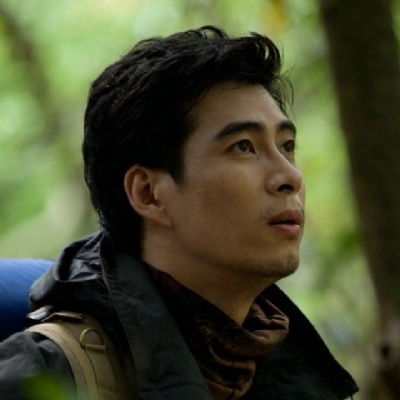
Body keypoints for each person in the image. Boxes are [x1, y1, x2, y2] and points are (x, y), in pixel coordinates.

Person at [0, 26, 358, 400]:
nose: (290, 177)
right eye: (243, 146)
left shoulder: (289, 372)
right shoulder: (41, 380)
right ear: (149, 194)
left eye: (287, 146)